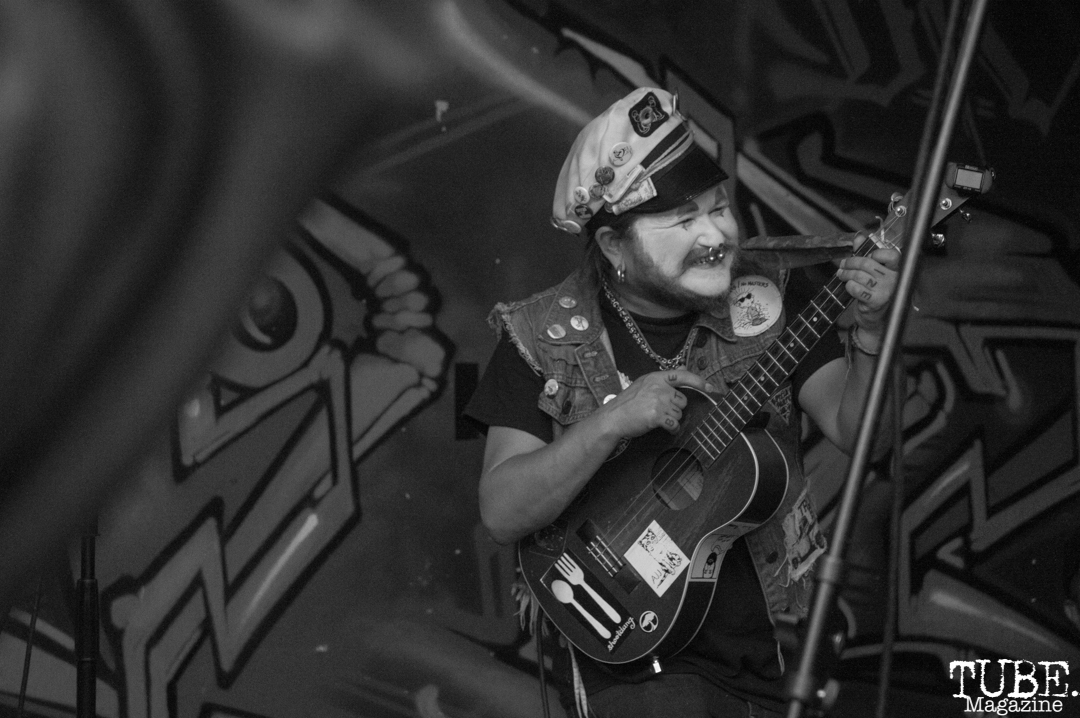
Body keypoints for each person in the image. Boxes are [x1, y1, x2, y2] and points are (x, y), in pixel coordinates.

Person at [464, 87, 899, 718]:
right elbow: (502, 512)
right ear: (613, 247)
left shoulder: (774, 297)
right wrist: (613, 420)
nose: (715, 234)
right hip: (629, 663)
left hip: (772, 651)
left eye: (719, 208)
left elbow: (864, 435)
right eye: (682, 220)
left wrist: (874, 335)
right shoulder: (541, 334)